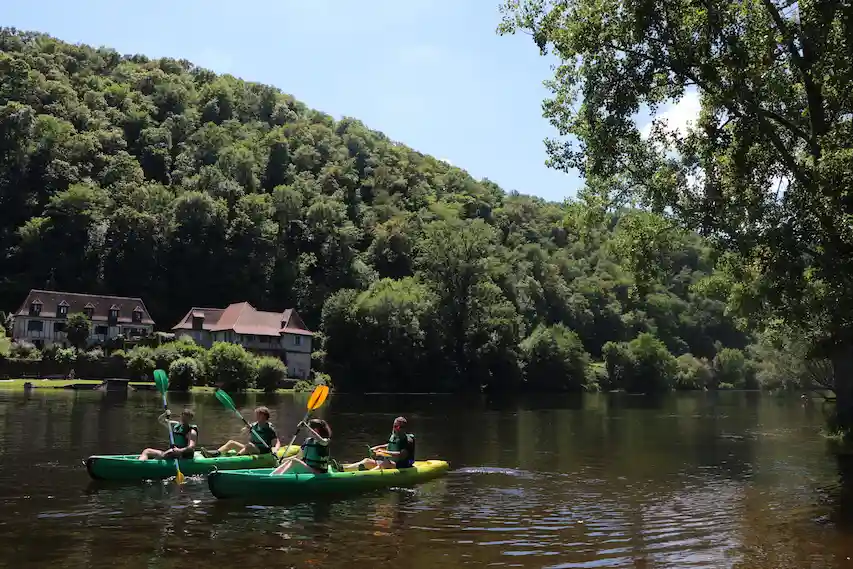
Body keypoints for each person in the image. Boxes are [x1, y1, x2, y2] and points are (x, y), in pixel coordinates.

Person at [343, 416, 415, 471]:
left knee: (386, 463)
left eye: (400, 427)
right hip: (392, 463)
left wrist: (384, 452)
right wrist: (378, 447)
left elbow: (402, 455)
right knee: (367, 461)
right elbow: (391, 444)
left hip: (404, 465)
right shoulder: (395, 436)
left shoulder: (408, 440)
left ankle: (367, 475)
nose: (397, 428)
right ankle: (344, 469)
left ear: (405, 428)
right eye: (395, 426)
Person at [216, 406, 281, 456]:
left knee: (249, 446)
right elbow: (242, 432)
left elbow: (276, 441)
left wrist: (276, 449)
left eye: (258, 414)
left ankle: (238, 456)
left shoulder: (269, 428)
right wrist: (246, 429)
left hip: (262, 451)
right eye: (257, 414)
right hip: (250, 448)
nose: (256, 416)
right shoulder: (254, 425)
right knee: (231, 443)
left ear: (264, 416)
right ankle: (216, 453)